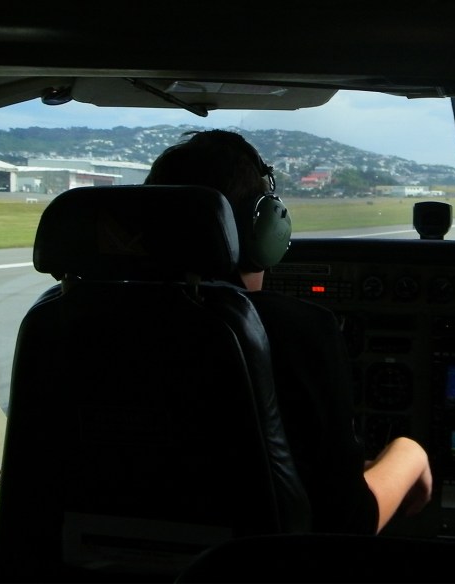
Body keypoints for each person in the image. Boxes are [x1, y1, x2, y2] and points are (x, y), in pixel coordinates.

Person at [145, 129, 432, 534]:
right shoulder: (293, 329)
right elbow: (348, 525)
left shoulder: (68, 321)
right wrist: (410, 453)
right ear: (263, 229)